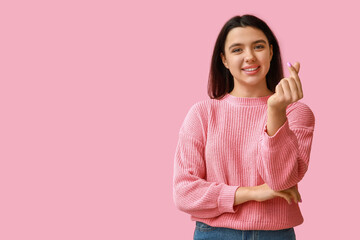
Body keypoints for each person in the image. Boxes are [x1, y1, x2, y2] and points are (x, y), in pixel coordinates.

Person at [172, 14, 315, 240]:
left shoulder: (295, 113)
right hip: (214, 234)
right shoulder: (202, 114)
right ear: (224, 60)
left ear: (271, 51)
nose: (249, 57)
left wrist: (276, 112)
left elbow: (282, 181)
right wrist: (253, 193)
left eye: (258, 46)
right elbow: (184, 193)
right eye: (237, 50)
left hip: (275, 235)